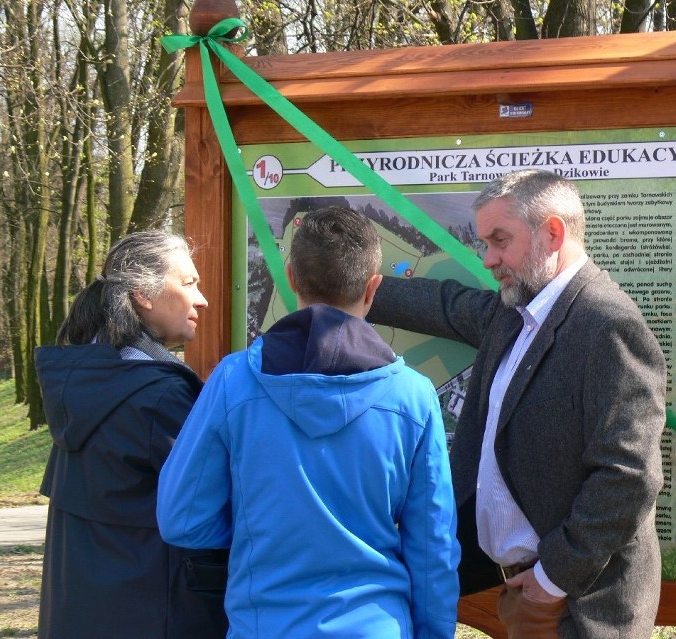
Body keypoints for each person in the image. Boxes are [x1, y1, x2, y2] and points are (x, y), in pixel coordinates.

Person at [366, 170, 667, 639]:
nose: (489, 259)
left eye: (499, 241)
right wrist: (353, 286)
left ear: (553, 231)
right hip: (522, 592)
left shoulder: (607, 326)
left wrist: (552, 580)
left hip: (576, 606)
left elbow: (628, 475)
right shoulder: (515, 314)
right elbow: (447, 305)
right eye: (485, 243)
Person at [157, 206, 460, 638]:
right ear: (373, 288)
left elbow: (182, 518)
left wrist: (259, 532)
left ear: (292, 278)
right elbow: (433, 546)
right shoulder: (413, 396)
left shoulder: (234, 381)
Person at [35, 230, 228, 639]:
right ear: (144, 294)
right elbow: (216, 504)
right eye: (189, 283)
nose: (202, 299)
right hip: (155, 615)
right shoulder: (156, 397)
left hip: (81, 614)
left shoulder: (86, 384)